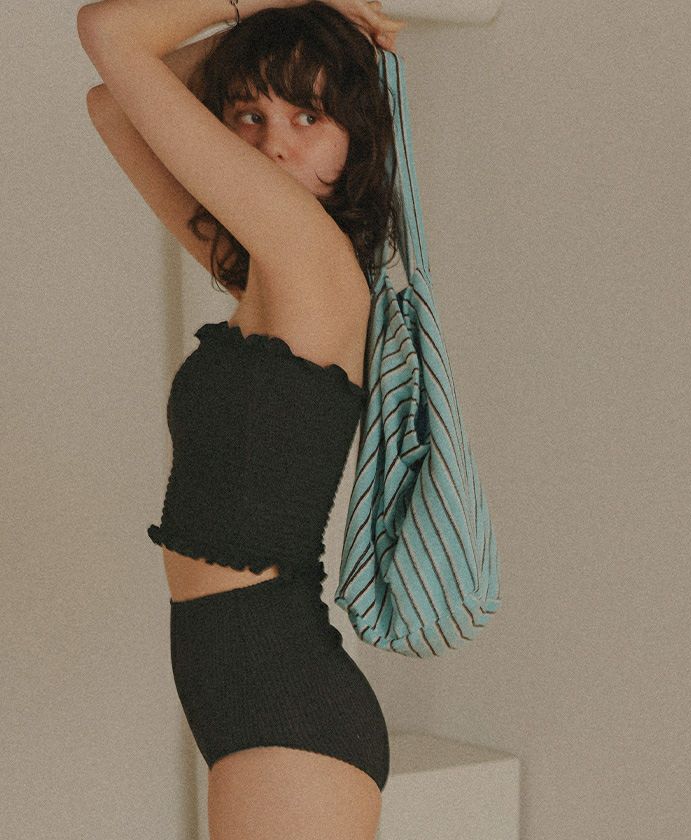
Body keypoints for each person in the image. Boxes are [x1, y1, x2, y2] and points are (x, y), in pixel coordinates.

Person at [78, 1, 406, 838]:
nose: (273, 143)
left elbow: (109, 34)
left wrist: (280, 4)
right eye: (249, 114)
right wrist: (298, 28)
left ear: (357, 139)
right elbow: (111, 104)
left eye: (309, 116)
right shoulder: (272, 271)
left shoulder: (309, 255)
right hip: (244, 689)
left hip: (285, 697)